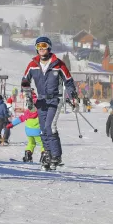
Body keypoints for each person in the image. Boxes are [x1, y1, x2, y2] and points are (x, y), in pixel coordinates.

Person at [21, 36, 78, 171]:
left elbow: (68, 81)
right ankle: (47, 153)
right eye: (38, 47)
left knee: (50, 126)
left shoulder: (58, 64)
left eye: (44, 46)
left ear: (49, 47)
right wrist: (28, 96)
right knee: (42, 129)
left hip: (55, 99)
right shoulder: (33, 65)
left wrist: (72, 95)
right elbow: (25, 81)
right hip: (41, 100)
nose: (41, 49)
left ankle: (56, 156)